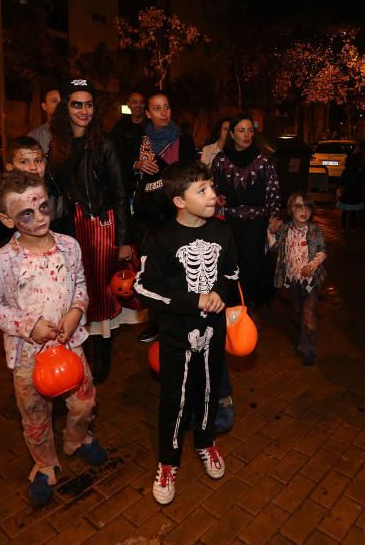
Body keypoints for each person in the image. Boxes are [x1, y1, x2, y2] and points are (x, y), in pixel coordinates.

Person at [0, 171, 107, 507]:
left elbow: (79, 285)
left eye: (43, 207)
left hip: (69, 345)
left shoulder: (69, 246)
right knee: (34, 413)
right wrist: (27, 324)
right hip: (27, 355)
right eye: (26, 214)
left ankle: (77, 438)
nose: (39, 218)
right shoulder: (3, 261)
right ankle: (45, 463)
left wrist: (76, 311)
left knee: (84, 402)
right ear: (7, 220)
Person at [133, 160, 239, 505]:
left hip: (214, 330)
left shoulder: (222, 231)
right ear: (179, 200)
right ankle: (169, 460)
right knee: (175, 397)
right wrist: (194, 301)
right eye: (202, 190)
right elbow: (144, 287)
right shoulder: (161, 237)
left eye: (211, 187)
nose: (212, 195)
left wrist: (220, 293)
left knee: (209, 389)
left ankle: (206, 442)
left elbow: (232, 272)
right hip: (177, 332)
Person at [48, 78, 132, 384]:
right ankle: (79, 349)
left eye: (89, 104)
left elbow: (120, 193)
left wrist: (123, 241)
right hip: (68, 228)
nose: (84, 111)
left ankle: (102, 356)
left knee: (98, 292)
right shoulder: (57, 144)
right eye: (77, 104)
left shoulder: (104, 144)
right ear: (66, 108)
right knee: (73, 291)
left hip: (99, 227)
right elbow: (53, 187)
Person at [130, 91, 198, 344]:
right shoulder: (139, 140)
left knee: (181, 270)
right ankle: (155, 323)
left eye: (166, 107)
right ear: (147, 113)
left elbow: (194, 177)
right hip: (149, 218)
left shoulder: (185, 141)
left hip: (179, 215)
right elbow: (123, 171)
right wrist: (136, 165)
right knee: (154, 271)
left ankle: (181, 320)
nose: (163, 113)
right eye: (157, 108)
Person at [210, 114, 281, 309]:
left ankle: (251, 306)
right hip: (229, 223)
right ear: (232, 134)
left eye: (250, 130)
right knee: (232, 263)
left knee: (254, 264)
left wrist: (274, 217)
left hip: (257, 223)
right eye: (241, 130)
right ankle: (235, 304)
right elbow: (212, 189)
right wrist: (216, 199)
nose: (247, 135)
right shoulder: (220, 160)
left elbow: (273, 191)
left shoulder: (264, 160)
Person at [268, 192, 327, 365]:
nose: (303, 211)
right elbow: (274, 247)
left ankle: (308, 349)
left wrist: (312, 265)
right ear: (290, 210)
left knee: (308, 313)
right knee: (299, 308)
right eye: (298, 206)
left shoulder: (314, 230)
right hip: (293, 280)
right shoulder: (286, 230)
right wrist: (271, 231)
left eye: (307, 207)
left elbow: (322, 250)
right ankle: (300, 324)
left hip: (311, 282)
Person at [0, 135, 49, 258]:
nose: (33, 167)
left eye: (38, 160)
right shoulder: (3, 201)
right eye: (24, 162)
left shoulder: (55, 192)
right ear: (10, 168)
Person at [109, 90, 147, 186]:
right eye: (134, 102)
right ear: (128, 105)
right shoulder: (121, 125)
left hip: (145, 179)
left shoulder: (151, 127)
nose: (138, 105)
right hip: (123, 178)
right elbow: (113, 150)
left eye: (141, 102)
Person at [336, 144, 365, 234]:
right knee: (353, 210)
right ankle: (352, 227)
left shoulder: (346, 171)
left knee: (345, 211)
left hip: (347, 193)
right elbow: (361, 181)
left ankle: (344, 227)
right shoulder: (358, 171)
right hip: (354, 192)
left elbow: (341, 181)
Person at [29, 87, 61, 157]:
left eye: (62, 101)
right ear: (44, 106)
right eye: (54, 101)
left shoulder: (76, 131)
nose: (60, 105)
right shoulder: (35, 136)